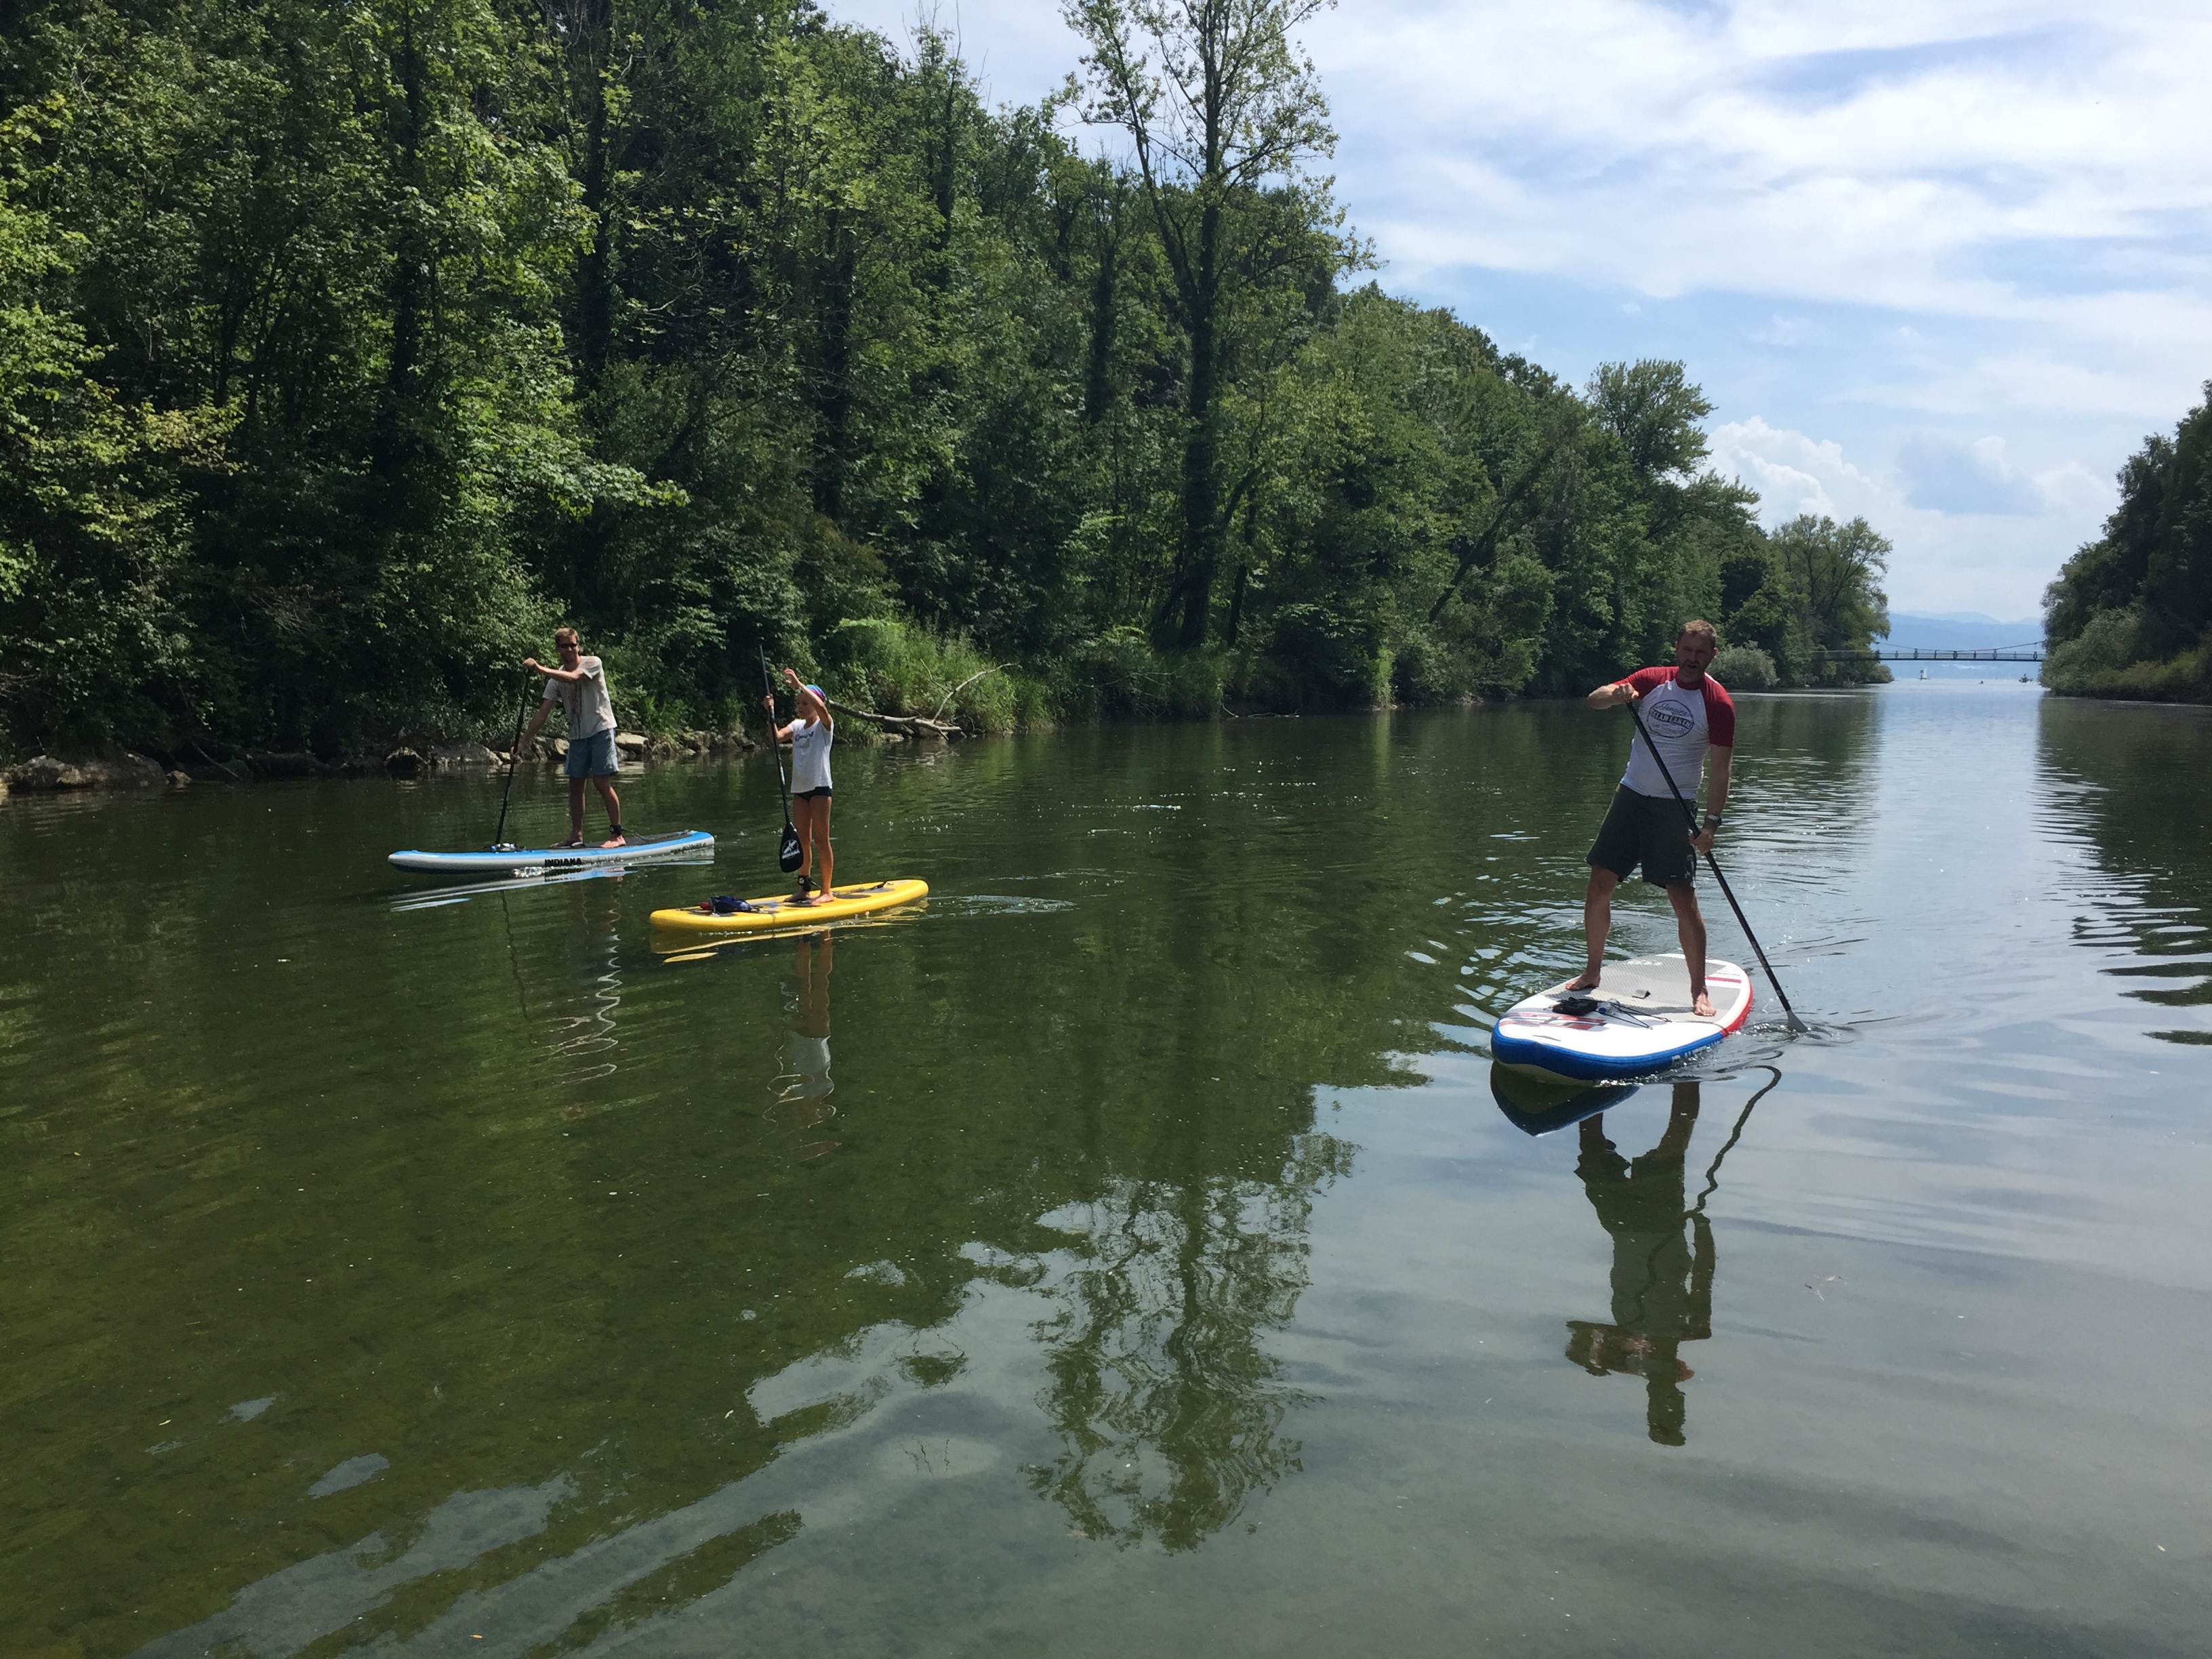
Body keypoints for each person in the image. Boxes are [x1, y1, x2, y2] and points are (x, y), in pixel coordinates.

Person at [1574, 619, 1733, 1017]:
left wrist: (1711, 823)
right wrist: (1614, 695)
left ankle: (1699, 991)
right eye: (1687, 650)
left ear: (1712, 656)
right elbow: (1594, 700)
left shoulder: (1718, 704)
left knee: (1681, 898)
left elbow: (1721, 770)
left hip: (1674, 806)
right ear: (1676, 649)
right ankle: (1593, 971)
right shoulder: (1650, 680)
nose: (1692, 658)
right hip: (1630, 797)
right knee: (1600, 882)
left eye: (1701, 652)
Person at [1564, 1082, 1713, 1447]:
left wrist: (1602, 1353)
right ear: (1676, 1399)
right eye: (1668, 1408)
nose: (1663, 1401)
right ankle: (1687, 1077)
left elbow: (1576, 1331)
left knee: (1591, 1147)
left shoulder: (1625, 1360)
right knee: (1674, 1142)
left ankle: (1599, 1079)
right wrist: (1703, 1229)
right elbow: (1704, 1275)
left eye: (1660, 1409)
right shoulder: (1692, 1329)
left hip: (1621, 1224)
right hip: (1661, 1225)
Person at [515, 627, 624, 848]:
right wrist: (523, 741)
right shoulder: (555, 680)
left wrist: (539, 668)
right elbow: (542, 713)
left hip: (601, 729)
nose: (571, 649)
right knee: (575, 785)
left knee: (601, 782)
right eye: (565, 646)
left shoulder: (593, 663)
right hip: (578, 735)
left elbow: (574, 678)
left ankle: (617, 835)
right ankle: (576, 835)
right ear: (558, 649)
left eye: (574, 644)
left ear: (578, 645)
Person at [764, 668, 834, 903]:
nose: (801, 706)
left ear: (816, 703)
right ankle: (804, 888)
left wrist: (800, 685)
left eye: (805, 703)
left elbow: (823, 709)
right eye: (798, 703)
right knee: (803, 840)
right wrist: (770, 712)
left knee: (821, 840)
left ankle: (827, 892)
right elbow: (774, 737)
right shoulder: (796, 726)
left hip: (820, 787)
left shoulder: (825, 726)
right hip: (800, 790)